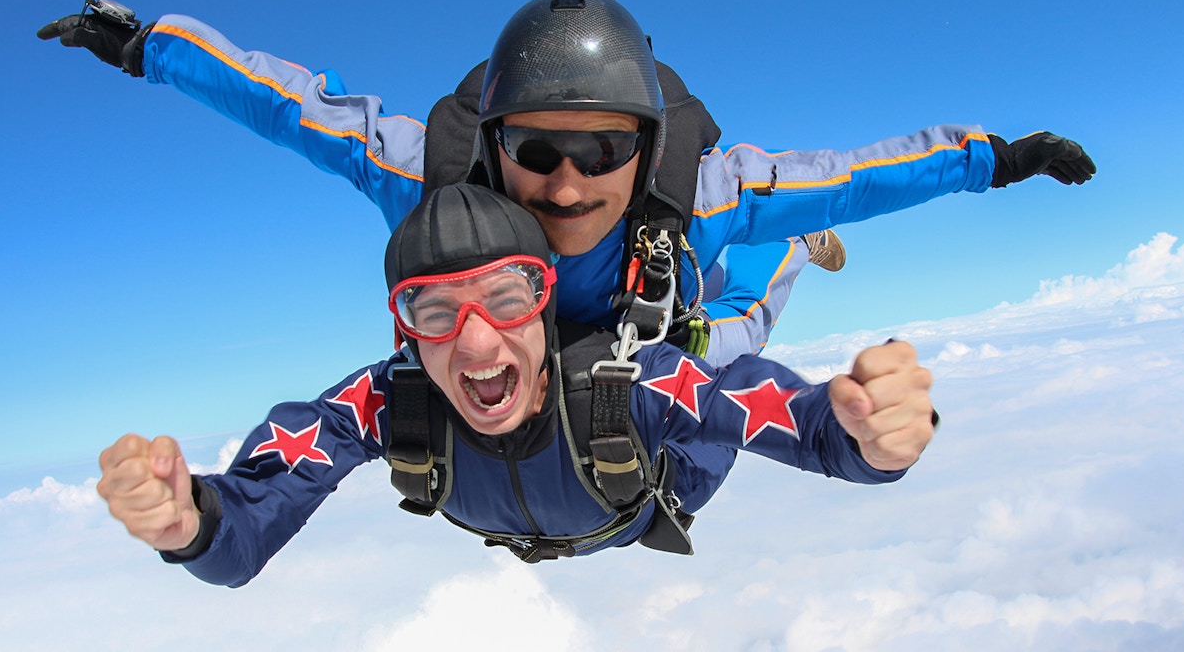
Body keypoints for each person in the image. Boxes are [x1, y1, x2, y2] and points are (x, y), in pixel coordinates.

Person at [36, 0, 1096, 367]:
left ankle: (791, 262)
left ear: (647, 143)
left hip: (674, 308)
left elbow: (860, 173)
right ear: (494, 141)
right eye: (536, 148)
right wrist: (148, 45)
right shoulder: (431, 179)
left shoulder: (712, 189)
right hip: (547, 336)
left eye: (603, 151)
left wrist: (992, 160)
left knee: (720, 338)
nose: (566, 183)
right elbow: (290, 103)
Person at [96, 183, 936, 587]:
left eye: (506, 297)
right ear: (402, 330)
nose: (474, 338)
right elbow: (243, 531)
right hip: (611, 504)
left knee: (735, 320)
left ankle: (790, 239)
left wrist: (862, 435)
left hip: (671, 472)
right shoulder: (391, 403)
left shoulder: (631, 383)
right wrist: (192, 522)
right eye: (432, 309)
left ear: (545, 304)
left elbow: (768, 407)